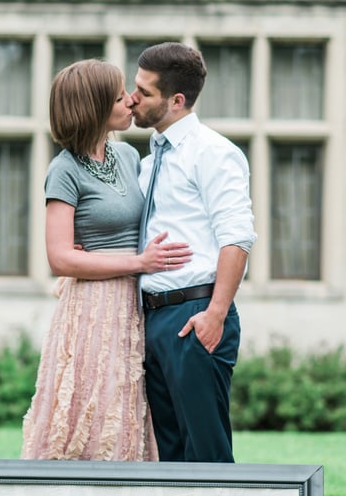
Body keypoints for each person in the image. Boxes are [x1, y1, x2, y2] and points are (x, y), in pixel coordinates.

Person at [22, 58, 192, 462]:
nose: (132, 101)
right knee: (91, 413)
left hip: (134, 307)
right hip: (91, 314)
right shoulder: (63, 170)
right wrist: (139, 262)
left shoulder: (130, 158)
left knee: (129, 412)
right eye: (120, 97)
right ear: (96, 109)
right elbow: (60, 259)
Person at [130, 42, 257, 463]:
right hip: (152, 319)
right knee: (168, 456)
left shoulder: (214, 153)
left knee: (207, 455)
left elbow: (237, 237)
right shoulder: (148, 163)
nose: (133, 99)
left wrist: (215, 314)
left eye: (144, 92)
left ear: (176, 100)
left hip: (195, 316)